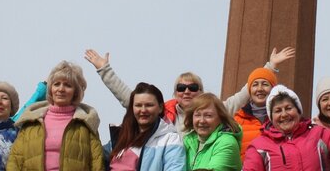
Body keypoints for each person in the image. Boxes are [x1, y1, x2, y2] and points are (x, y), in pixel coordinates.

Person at [5, 60, 105, 171]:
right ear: (50, 89)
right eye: (56, 84)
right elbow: (15, 163)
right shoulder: (32, 122)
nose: (61, 89)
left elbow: (97, 166)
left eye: (67, 85)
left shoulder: (85, 123)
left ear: (76, 91)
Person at [84, 46, 295, 133]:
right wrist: (105, 69)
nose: (186, 91)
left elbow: (244, 93)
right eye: (181, 88)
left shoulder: (216, 111)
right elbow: (129, 100)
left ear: (201, 93)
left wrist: (270, 67)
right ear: (175, 93)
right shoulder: (162, 114)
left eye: (193, 88)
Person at [169, 93, 242, 171]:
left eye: (208, 115)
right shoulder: (188, 140)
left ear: (220, 118)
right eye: (197, 115)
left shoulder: (227, 143)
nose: (202, 121)